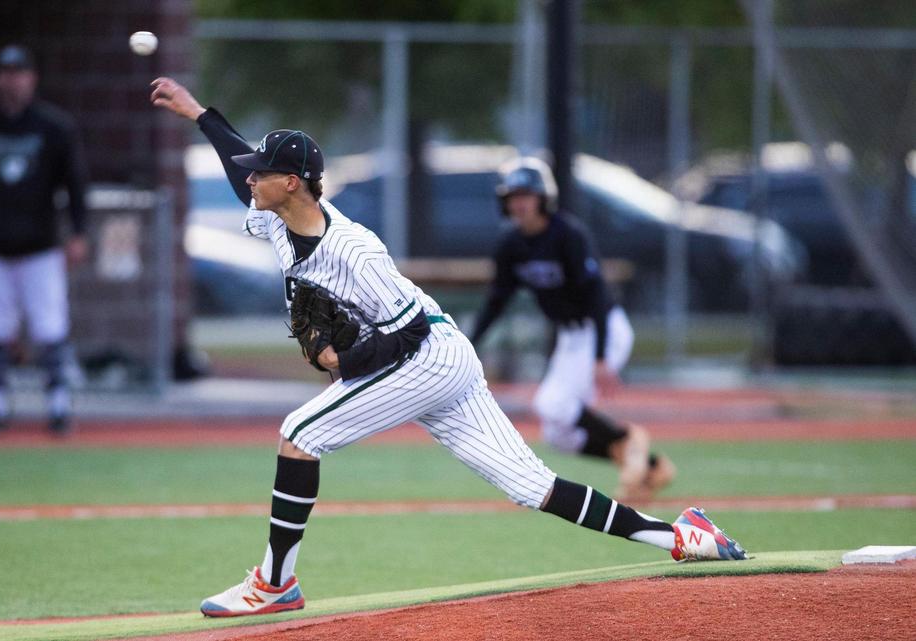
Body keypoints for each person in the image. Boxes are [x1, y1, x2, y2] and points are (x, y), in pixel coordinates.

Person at [149, 77, 746, 619]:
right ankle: (684, 536)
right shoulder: (277, 218)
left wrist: (342, 363)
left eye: (262, 173)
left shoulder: (354, 251)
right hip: (439, 360)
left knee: (300, 434)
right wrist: (200, 114)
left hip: (426, 355)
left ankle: (275, 583)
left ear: (292, 183)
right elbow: (239, 168)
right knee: (531, 485)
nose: (249, 180)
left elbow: (409, 332)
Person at [468, 158, 675, 503]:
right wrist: (469, 343)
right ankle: (651, 466)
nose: (520, 203)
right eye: (512, 197)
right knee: (557, 435)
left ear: (542, 197)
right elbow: (497, 300)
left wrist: (600, 357)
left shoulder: (567, 234)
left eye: (526, 195)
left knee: (553, 404)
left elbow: (596, 295)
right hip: (571, 336)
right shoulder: (511, 245)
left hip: (602, 328)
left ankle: (628, 439)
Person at [0, 45, 89, 436]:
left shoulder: (53, 127)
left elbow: (75, 183)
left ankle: (58, 403)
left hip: (41, 246)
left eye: (19, 74)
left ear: (32, 79)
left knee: (49, 325)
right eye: (5, 74)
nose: (12, 82)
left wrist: (78, 232)